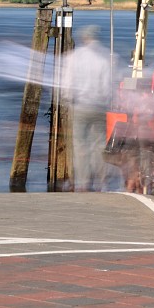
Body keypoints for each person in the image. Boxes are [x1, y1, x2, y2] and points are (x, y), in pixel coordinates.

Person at [62, 25, 113, 192]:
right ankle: (101, 181)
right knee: (99, 145)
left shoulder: (74, 57)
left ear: (84, 38)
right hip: (99, 107)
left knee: (80, 145)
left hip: (81, 106)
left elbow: (68, 83)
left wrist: (68, 99)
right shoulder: (105, 57)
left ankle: (83, 182)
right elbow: (107, 87)